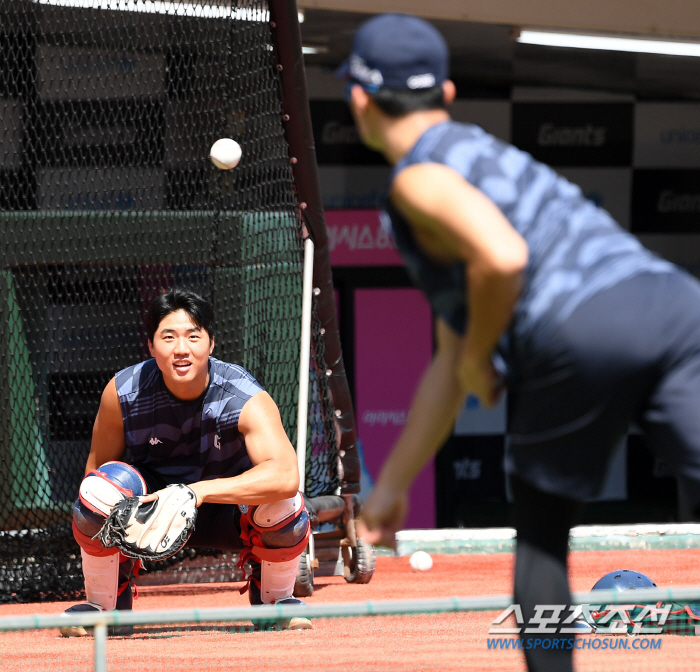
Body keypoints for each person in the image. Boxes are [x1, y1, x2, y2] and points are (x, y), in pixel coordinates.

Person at [339, 13, 700, 671]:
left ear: (358, 99)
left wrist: (481, 354)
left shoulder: (416, 181)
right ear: (446, 97)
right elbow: (449, 358)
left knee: (540, 544)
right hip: (675, 308)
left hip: (574, 330)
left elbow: (501, 261)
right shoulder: (484, 149)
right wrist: (392, 487)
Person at [60, 287, 312, 636]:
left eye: (193, 336)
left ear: (211, 344)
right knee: (97, 493)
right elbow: (95, 473)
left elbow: (286, 475)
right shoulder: (122, 391)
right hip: (150, 513)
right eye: (168, 337)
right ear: (150, 345)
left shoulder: (243, 395)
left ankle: (276, 603)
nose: (181, 348)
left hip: (229, 512)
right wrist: (122, 531)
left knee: (285, 505)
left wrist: (196, 492)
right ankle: (104, 608)